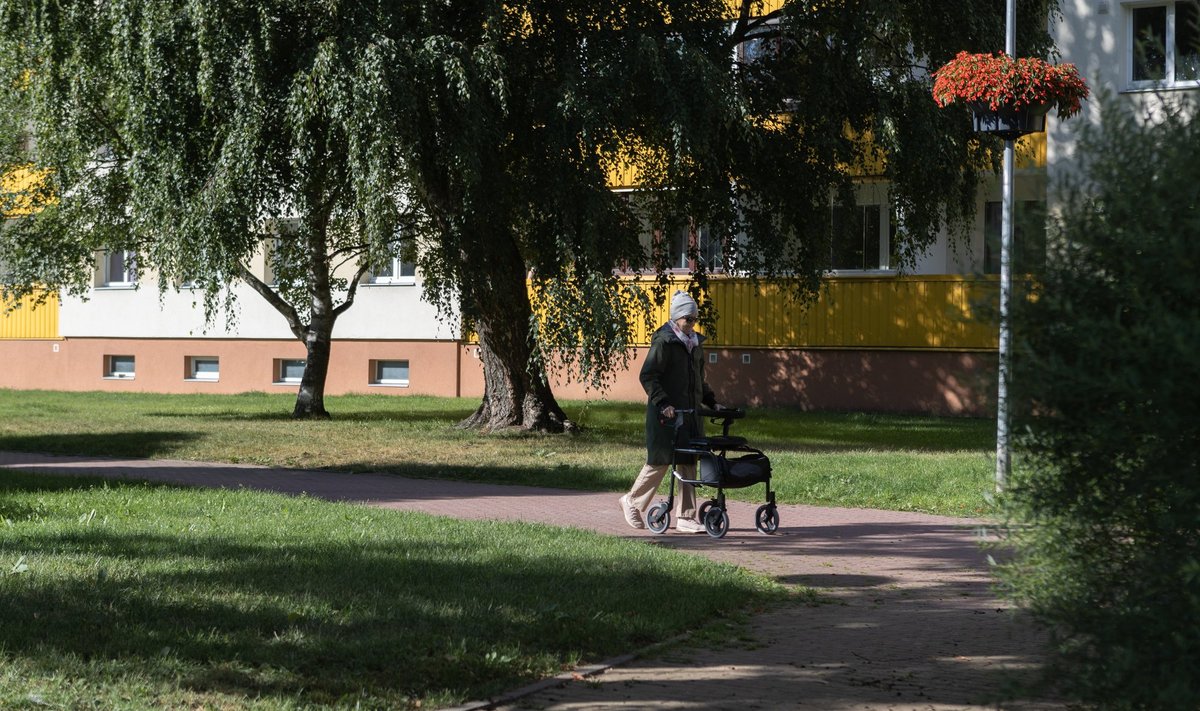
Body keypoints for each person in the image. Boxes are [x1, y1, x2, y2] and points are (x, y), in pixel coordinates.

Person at [620, 290, 720, 534]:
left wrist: (712, 401)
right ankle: (631, 501)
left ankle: (686, 517)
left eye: (695, 319)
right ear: (676, 318)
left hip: (689, 414)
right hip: (665, 416)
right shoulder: (664, 341)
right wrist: (664, 404)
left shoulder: (694, 344)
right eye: (688, 319)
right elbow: (648, 376)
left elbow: (698, 380)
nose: (692, 323)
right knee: (660, 461)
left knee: (688, 461)